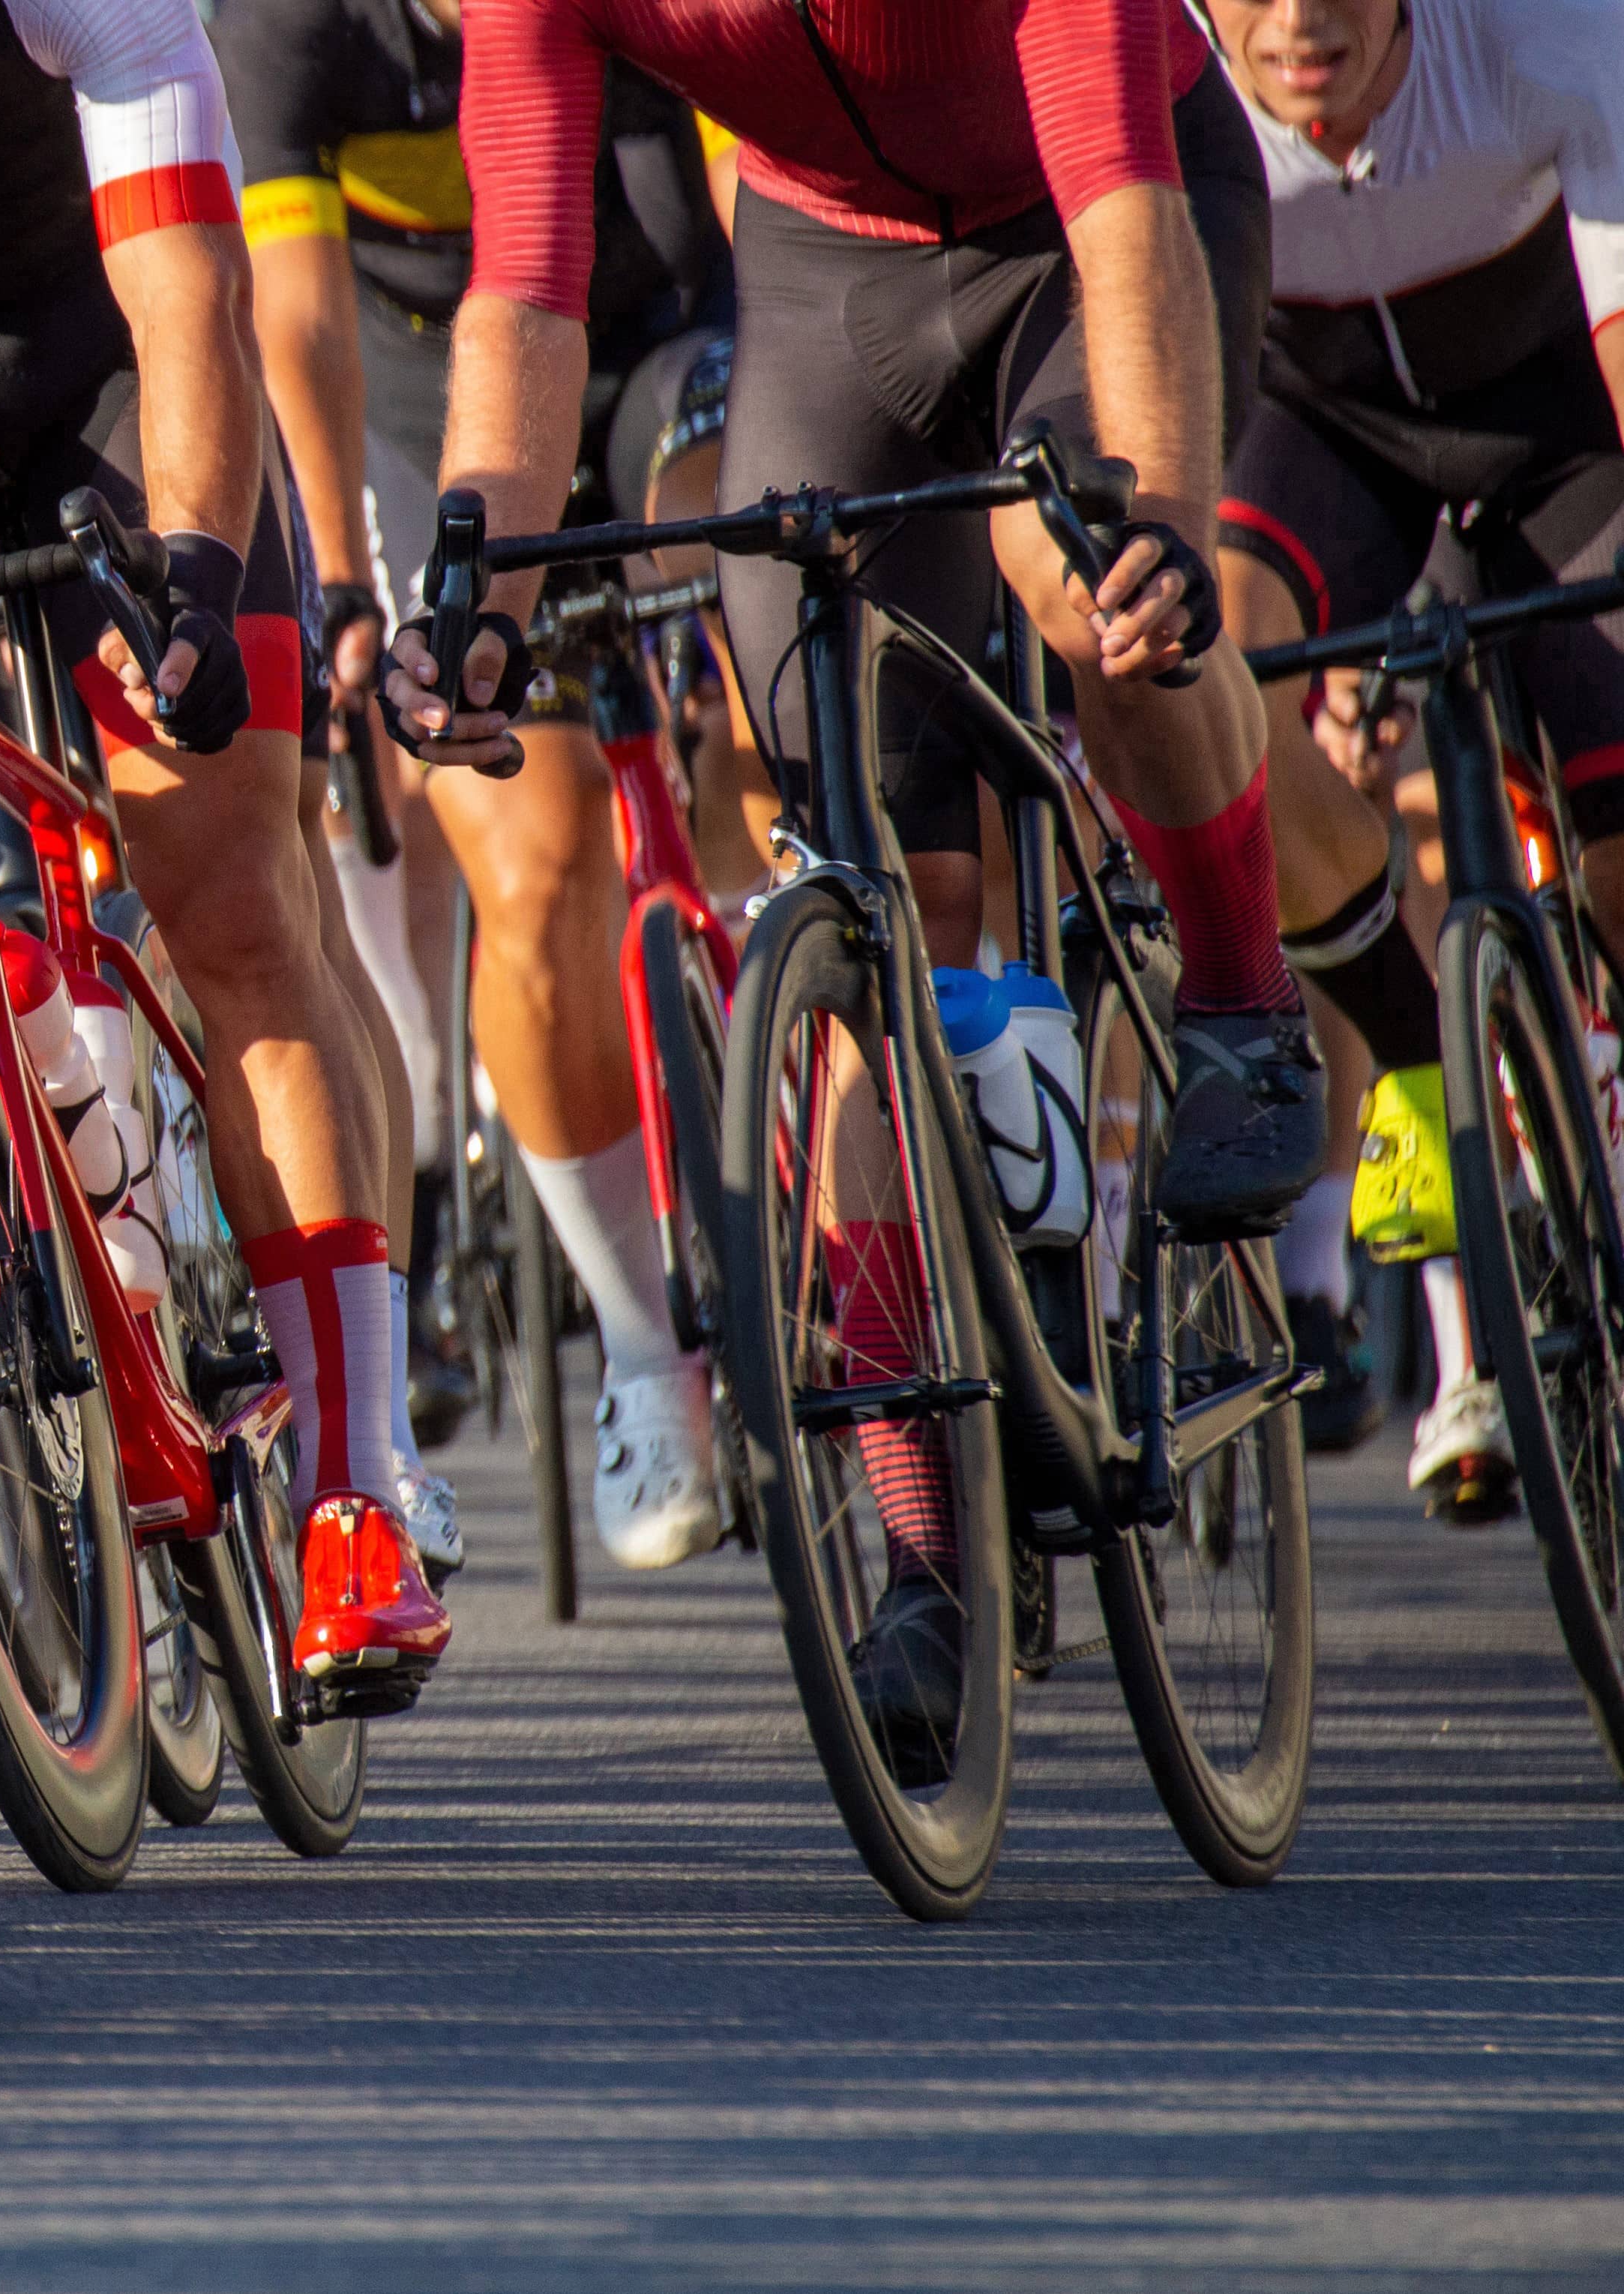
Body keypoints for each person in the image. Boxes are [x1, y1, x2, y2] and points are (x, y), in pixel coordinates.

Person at [402, 0, 1321, 1765]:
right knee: (858, 876)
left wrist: (1169, 521)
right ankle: (918, 1553)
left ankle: (1236, 1000)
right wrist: (484, 620)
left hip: (1103, 217)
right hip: (837, 270)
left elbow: (1124, 209)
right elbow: (524, 287)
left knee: (1096, 600)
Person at [0, 0, 451, 1702]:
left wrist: (196, 569)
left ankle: (359, 1488)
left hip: (108, 358)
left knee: (235, 902)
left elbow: (193, 299)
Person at [220, 0, 748, 1573]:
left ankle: (790, 952)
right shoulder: (290, 23)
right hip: (425, 405)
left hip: (667, 342)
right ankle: (649, 1358)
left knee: (736, 603)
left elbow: (764, 197)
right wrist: (336, 577)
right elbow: (297, 329)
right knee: (528, 879)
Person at [1197, 0, 1624, 1513]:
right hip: (1321, 430)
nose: (1299, 20)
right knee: (1201, 684)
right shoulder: (1159, 62)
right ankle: (1413, 1041)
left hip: (1557, 425)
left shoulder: (1547, 31)